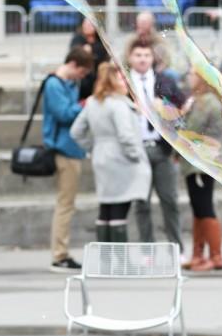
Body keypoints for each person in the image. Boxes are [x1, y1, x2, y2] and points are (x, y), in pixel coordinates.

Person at [70, 62, 150, 243]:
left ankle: (105, 259)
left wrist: (94, 147)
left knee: (106, 208)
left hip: (102, 157)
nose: (125, 81)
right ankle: (120, 261)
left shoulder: (92, 102)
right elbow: (126, 135)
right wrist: (136, 155)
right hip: (122, 160)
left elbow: (76, 131)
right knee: (119, 209)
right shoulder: (118, 104)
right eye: (121, 77)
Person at [127, 37, 187, 253]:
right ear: (130, 58)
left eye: (146, 55)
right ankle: (147, 251)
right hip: (136, 150)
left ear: (153, 58)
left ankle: (176, 249)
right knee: (141, 204)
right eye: (138, 55)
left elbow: (182, 112)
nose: (142, 59)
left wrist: (167, 112)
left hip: (162, 149)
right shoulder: (124, 83)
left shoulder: (164, 82)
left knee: (169, 200)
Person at [44, 46, 95, 272]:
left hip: (72, 148)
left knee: (67, 203)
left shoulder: (70, 84)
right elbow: (64, 114)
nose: (81, 78)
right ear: (73, 65)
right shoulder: (54, 84)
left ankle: (61, 252)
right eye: (82, 73)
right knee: (65, 204)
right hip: (63, 148)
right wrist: (84, 104)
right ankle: (59, 254)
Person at [178, 71, 222, 271]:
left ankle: (215, 256)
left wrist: (183, 115)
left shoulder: (205, 102)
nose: (188, 78)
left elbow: (192, 128)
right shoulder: (199, 100)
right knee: (198, 208)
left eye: (192, 74)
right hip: (197, 161)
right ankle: (198, 254)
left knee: (204, 207)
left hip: (201, 162)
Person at [68, 17, 109, 100]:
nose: (88, 27)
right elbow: (74, 53)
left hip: (97, 76)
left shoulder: (101, 41)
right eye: (86, 24)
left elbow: (103, 56)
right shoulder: (77, 38)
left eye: (91, 25)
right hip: (81, 78)